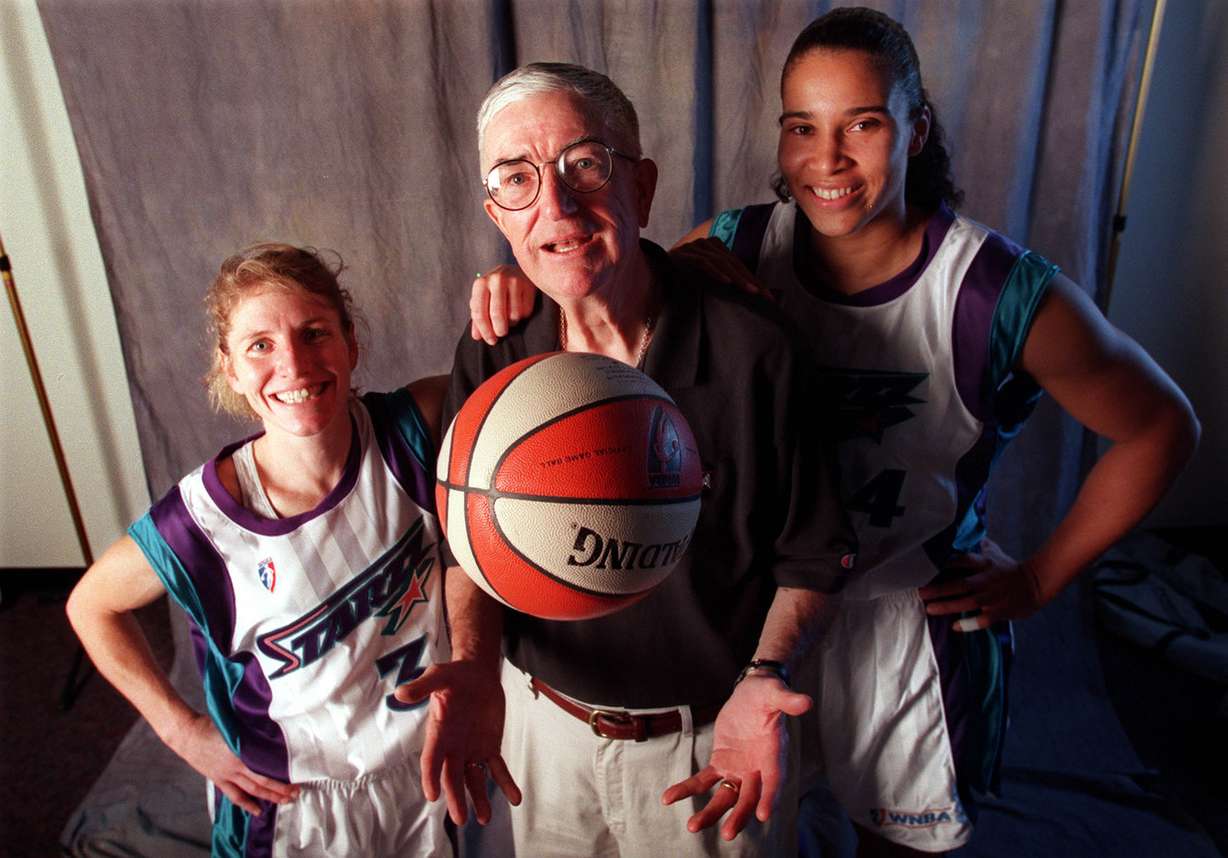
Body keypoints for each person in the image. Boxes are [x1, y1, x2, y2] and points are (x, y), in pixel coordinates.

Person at [468, 9, 1199, 857]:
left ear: (917, 128)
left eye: (865, 123)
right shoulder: (735, 248)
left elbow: (1160, 428)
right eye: (801, 128)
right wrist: (520, 285)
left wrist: (1038, 580)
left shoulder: (995, 293)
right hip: (753, 626)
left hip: (896, 628)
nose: (828, 159)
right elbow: (606, 297)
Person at [448, 62, 857, 857]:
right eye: (517, 180)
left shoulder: (754, 350)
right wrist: (470, 662)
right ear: (499, 213)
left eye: (586, 165)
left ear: (642, 187)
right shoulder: (495, 347)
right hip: (544, 733)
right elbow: (464, 540)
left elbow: (814, 558)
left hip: (712, 743)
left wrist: (764, 677)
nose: (556, 205)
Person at [66, 243, 519, 858]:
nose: (295, 365)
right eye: (260, 345)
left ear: (351, 344)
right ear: (228, 367)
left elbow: (534, 384)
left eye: (314, 333)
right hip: (292, 802)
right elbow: (90, 606)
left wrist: (519, 289)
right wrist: (182, 732)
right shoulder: (200, 522)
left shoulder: (415, 428)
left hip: (417, 770)